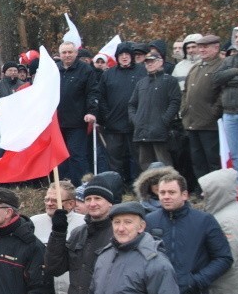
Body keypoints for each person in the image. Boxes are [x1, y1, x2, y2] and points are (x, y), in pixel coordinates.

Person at [98, 42, 147, 186]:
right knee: (115, 159)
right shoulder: (108, 74)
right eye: (121, 55)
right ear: (117, 57)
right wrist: (106, 117)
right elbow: (101, 98)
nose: (124, 57)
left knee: (138, 158)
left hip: (136, 124)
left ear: (131, 56)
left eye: (127, 54)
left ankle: (138, 186)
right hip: (114, 124)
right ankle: (118, 186)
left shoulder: (142, 72)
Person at [182, 35, 224, 184]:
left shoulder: (222, 65)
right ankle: (203, 190)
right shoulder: (195, 67)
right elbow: (186, 91)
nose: (202, 50)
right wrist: (184, 110)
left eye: (205, 47)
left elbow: (223, 92)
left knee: (213, 160)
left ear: (216, 47)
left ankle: (216, 190)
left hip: (210, 124)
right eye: (200, 47)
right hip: (192, 122)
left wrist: (214, 112)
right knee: (197, 160)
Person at [56, 41, 100, 185]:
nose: (67, 55)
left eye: (70, 52)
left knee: (77, 154)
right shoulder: (54, 70)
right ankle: (63, 186)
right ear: (60, 54)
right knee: (60, 155)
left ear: (76, 53)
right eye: (64, 52)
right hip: (57, 123)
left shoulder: (86, 70)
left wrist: (92, 112)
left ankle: (81, 185)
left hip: (77, 121)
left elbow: (92, 92)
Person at [128, 51, 181, 170]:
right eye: (147, 62)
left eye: (152, 61)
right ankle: (149, 188)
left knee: (165, 166)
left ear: (160, 62)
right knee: (145, 166)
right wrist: (136, 120)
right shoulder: (141, 83)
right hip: (142, 132)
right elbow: (131, 104)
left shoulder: (170, 80)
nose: (149, 64)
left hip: (160, 132)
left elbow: (175, 102)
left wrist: (164, 120)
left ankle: (169, 188)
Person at [213, 25, 238, 186]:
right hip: (229, 114)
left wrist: (228, 79)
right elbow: (217, 79)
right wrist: (237, 72)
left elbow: (224, 79)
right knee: (235, 155)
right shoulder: (229, 60)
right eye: (236, 37)